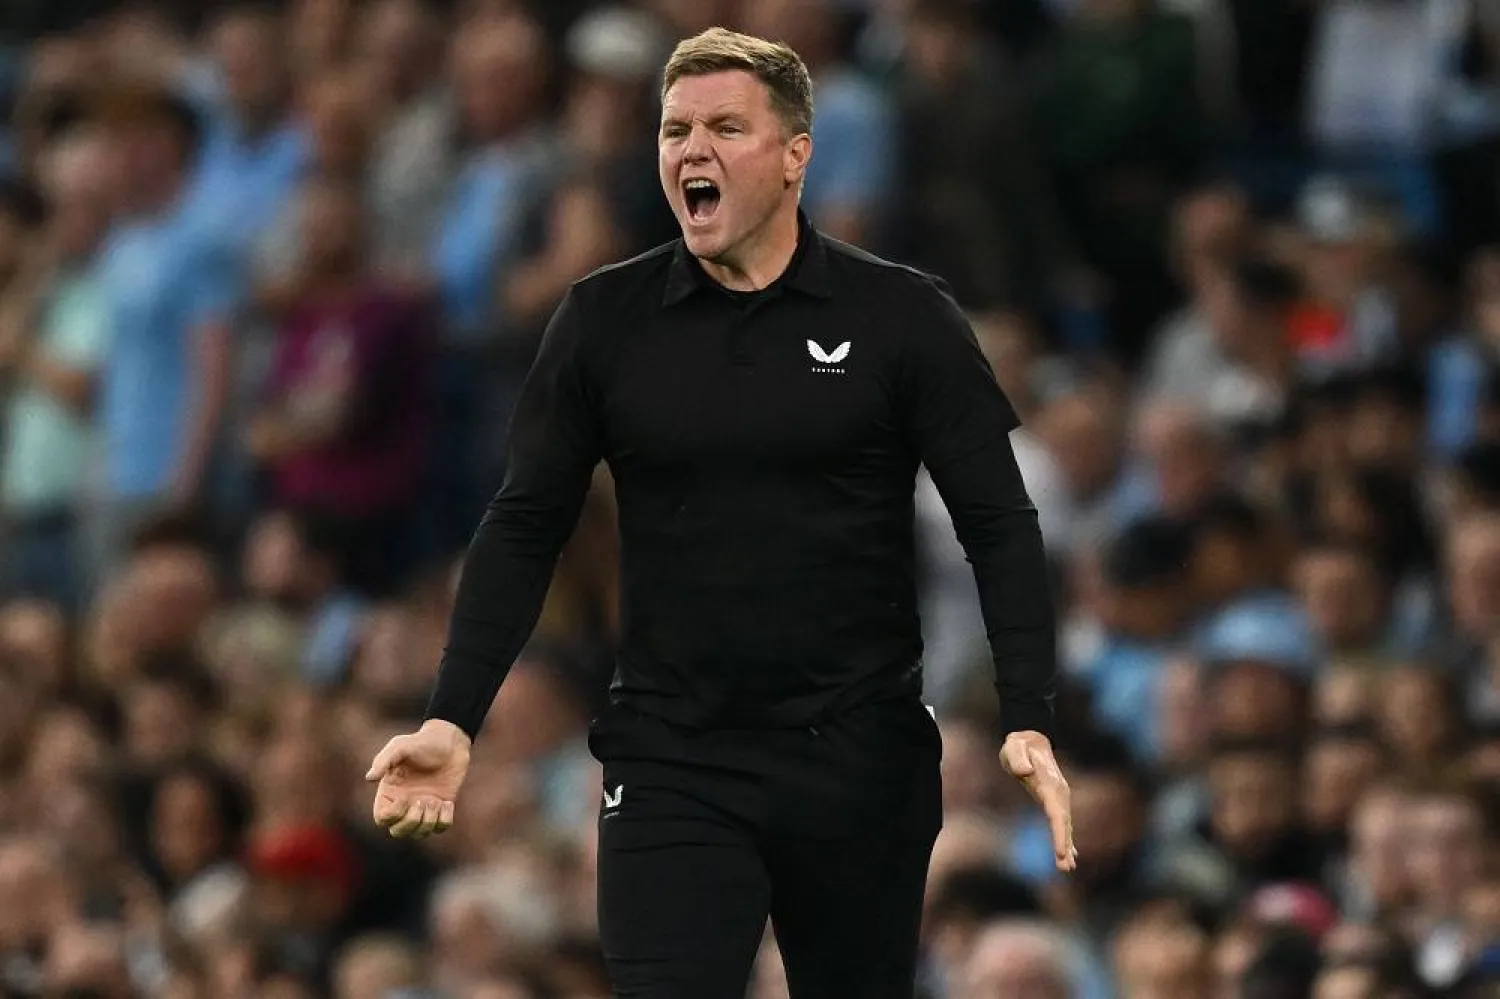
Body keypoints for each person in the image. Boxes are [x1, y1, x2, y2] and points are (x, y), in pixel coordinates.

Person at [365, 26, 1075, 998]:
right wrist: (453, 716)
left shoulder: (901, 315)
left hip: (859, 759)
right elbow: (525, 520)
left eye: (725, 127)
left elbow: (998, 518)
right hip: (671, 759)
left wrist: (1028, 708)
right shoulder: (602, 320)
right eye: (674, 129)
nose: (691, 149)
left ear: (795, 156)